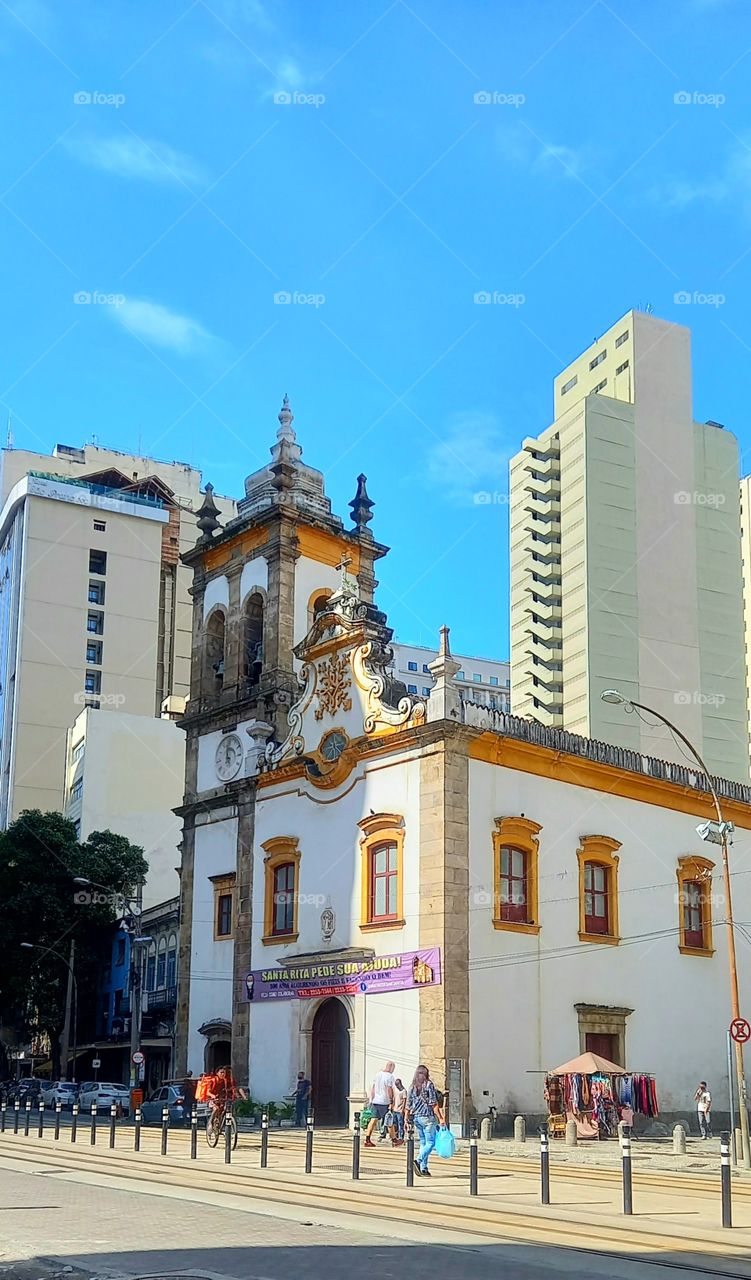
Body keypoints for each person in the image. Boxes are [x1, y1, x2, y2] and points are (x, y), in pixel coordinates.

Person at [406, 1064, 443, 1176]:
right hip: (427, 1117)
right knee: (431, 1143)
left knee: (423, 1142)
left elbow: (408, 1104)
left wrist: (406, 1119)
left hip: (416, 1118)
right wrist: (441, 1118)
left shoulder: (412, 1086)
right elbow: (433, 1103)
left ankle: (424, 1169)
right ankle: (418, 1161)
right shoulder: (428, 1085)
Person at [364, 1060, 395, 1147]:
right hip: (384, 1102)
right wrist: (391, 1100)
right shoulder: (390, 1076)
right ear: (391, 1067)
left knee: (373, 1120)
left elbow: (373, 1089)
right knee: (389, 1120)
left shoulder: (377, 1075)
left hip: (375, 1101)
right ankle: (394, 1140)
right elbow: (389, 1089)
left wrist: (372, 1099)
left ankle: (367, 1139)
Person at [391, 1076, 407, 1143]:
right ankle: (396, 1136)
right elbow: (394, 1098)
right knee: (395, 1124)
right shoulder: (396, 1090)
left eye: (397, 1084)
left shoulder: (403, 1091)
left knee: (400, 1124)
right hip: (395, 1109)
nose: (397, 1086)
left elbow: (404, 1100)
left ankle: (401, 1137)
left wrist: (403, 1109)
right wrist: (392, 1105)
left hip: (400, 1110)